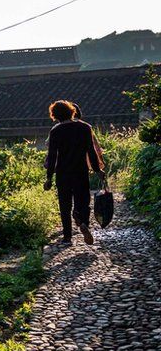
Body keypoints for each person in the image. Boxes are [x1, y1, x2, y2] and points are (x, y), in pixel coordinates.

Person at [43, 100, 105, 245]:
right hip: (80, 171)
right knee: (82, 201)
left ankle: (67, 237)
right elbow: (91, 152)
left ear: (55, 115)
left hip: (63, 173)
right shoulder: (85, 128)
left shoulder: (56, 131)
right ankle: (82, 222)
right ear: (72, 111)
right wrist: (98, 170)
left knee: (64, 204)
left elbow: (52, 157)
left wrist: (49, 178)